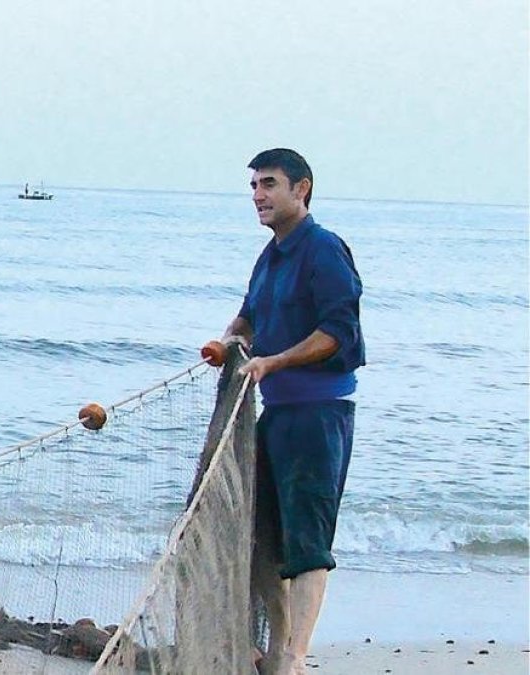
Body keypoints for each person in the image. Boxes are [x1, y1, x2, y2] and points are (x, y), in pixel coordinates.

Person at [219, 149, 364, 675]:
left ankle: (296, 658)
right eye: (254, 185)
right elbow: (250, 314)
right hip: (276, 413)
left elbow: (337, 331)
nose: (258, 195)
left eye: (269, 184)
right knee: (259, 537)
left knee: (308, 541)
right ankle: (279, 644)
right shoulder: (270, 255)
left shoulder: (324, 250)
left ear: (301, 189)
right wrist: (231, 337)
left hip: (318, 412)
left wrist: (276, 360)